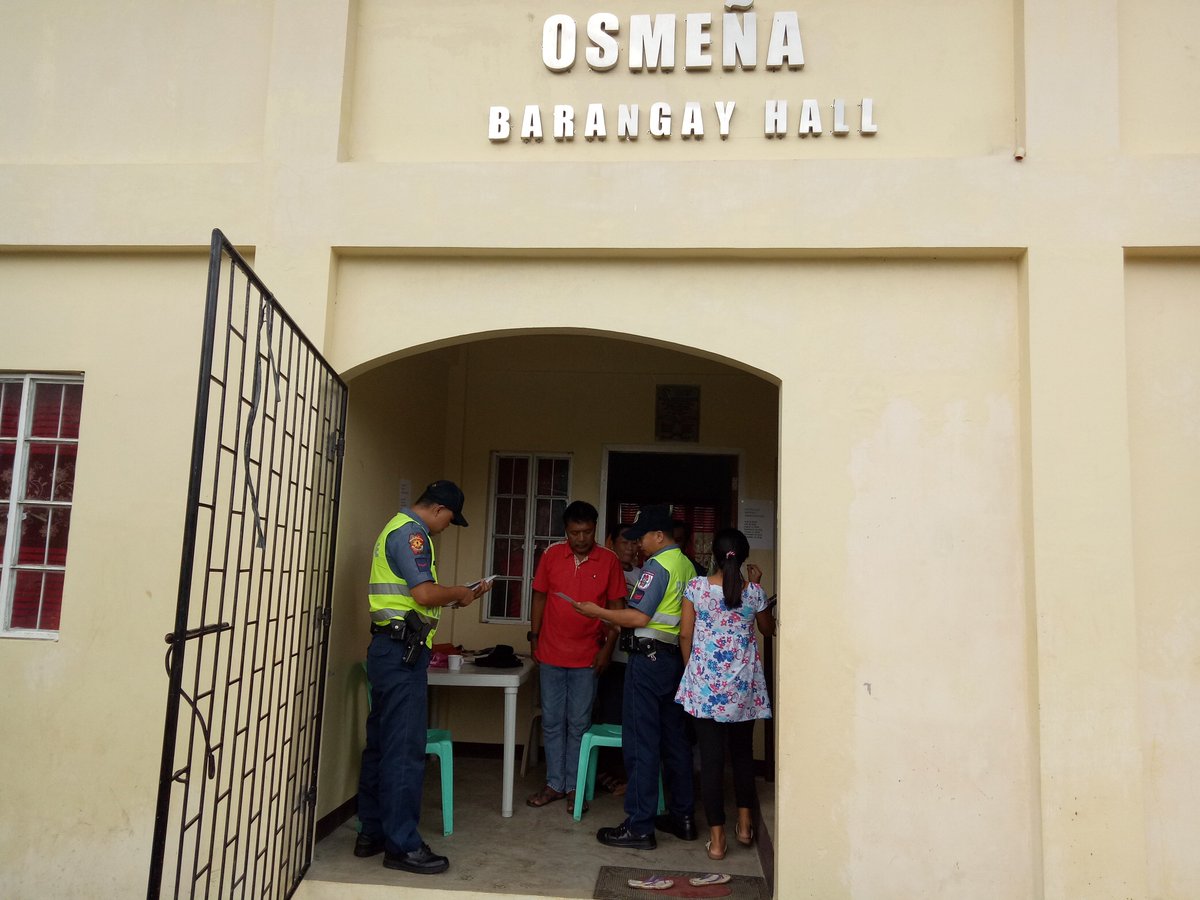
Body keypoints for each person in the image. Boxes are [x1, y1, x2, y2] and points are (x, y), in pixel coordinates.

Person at [355, 481, 492, 875]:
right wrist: (459, 592)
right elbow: (423, 594)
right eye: (450, 519)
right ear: (438, 509)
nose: (447, 527)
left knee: (381, 744)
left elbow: (415, 596)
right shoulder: (413, 534)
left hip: (390, 649)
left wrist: (458, 595)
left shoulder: (395, 528)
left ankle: (372, 832)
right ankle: (402, 846)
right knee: (404, 750)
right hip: (401, 655)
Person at [569, 504, 697, 850]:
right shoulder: (686, 565)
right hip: (672, 660)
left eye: (642, 537)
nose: (638, 544)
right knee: (675, 740)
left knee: (641, 742)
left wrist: (597, 611)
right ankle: (683, 816)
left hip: (648, 661)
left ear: (659, 536)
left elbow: (640, 617)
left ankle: (639, 826)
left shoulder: (657, 567)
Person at [675, 527, 775, 861]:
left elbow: (685, 634)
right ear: (744, 558)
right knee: (743, 754)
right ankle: (745, 826)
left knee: (712, 761)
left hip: (706, 686)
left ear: (713, 556)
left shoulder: (697, 588)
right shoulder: (754, 593)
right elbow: (767, 629)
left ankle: (717, 841)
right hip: (743, 687)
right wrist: (757, 585)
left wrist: (693, 672)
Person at [526, 501, 627, 817]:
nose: (581, 538)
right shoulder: (551, 555)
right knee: (552, 721)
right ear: (565, 531)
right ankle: (555, 784)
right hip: (551, 653)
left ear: (595, 529)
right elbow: (539, 596)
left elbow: (617, 609)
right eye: (574, 532)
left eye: (587, 532)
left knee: (579, 723)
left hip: (588, 657)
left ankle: (575, 786)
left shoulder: (609, 560)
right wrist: (534, 636)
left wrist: (607, 649)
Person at [592, 520, 643, 795]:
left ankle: (622, 775)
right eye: (625, 542)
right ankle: (603, 774)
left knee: (627, 719)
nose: (631, 548)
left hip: (632, 658)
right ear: (610, 543)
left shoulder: (643, 575)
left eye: (635, 542)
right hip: (605, 656)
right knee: (606, 716)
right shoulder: (601, 571)